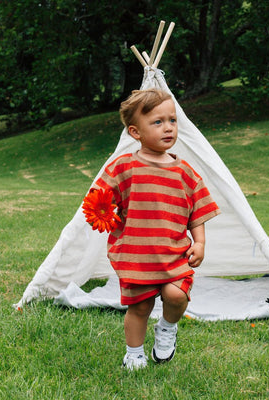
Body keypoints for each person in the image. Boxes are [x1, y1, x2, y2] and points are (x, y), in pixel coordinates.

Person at [87, 88, 220, 370]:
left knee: (176, 295)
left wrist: (200, 243)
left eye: (172, 120)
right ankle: (134, 353)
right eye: (157, 122)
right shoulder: (124, 167)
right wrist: (102, 209)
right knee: (140, 307)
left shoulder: (185, 172)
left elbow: (198, 211)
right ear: (135, 132)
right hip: (137, 256)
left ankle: (168, 328)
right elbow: (100, 198)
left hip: (174, 254)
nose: (168, 127)